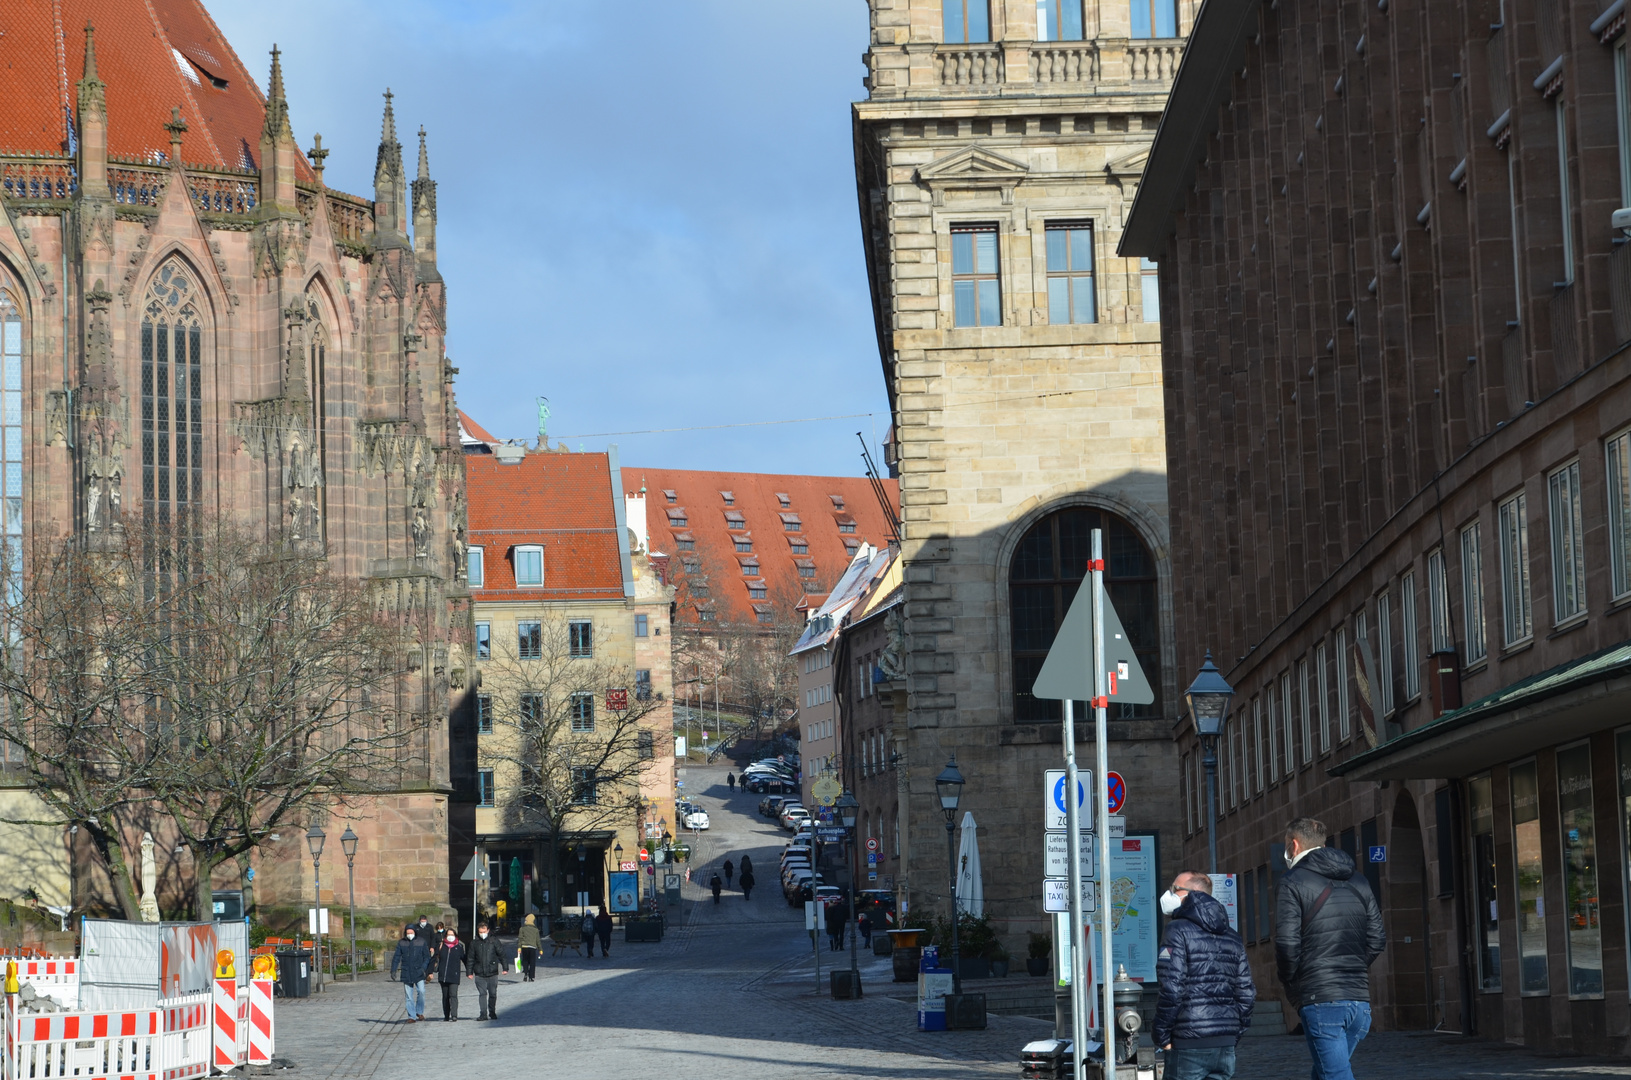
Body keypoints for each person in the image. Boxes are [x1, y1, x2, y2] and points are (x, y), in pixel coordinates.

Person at [1276, 816, 1386, 1080]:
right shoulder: (1358, 879)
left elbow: (1287, 944)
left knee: (1334, 1075)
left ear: (1294, 845)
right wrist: (1353, 966)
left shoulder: (1292, 881)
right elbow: (1377, 938)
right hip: (1358, 1001)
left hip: (1321, 999)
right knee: (1326, 1072)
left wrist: (1293, 981)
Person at [1152, 871, 1255, 1080]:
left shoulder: (1177, 930)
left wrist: (1161, 1034)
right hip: (1224, 1043)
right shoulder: (1232, 936)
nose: (1169, 893)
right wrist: (1233, 1032)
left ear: (1193, 894)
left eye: (1175, 888)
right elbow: (1246, 992)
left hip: (1188, 1042)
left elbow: (1171, 988)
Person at [389, 924, 430, 1023]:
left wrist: (423, 968)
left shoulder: (421, 942)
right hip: (406, 971)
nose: (409, 934)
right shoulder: (402, 943)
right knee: (408, 996)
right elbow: (397, 957)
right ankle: (411, 1016)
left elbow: (427, 957)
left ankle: (419, 1011)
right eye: (408, 933)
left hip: (418, 971)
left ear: (415, 932)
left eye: (411, 933)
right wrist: (393, 970)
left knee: (421, 992)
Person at [467, 921, 506, 1021]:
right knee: (482, 994)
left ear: (488, 930)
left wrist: (505, 967)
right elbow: (470, 958)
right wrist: (469, 972)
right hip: (479, 973)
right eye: (480, 932)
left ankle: (492, 1012)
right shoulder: (474, 943)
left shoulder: (494, 941)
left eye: (484, 931)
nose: (482, 933)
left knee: (493, 994)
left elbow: (501, 954)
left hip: (492, 972)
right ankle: (483, 1014)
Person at [433, 928, 466, 1022]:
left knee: (453, 994)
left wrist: (470, 971)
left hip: (454, 975)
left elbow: (464, 959)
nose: (450, 937)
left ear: (455, 936)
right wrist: (430, 971)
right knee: (445, 996)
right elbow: (434, 958)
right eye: (448, 935)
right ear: (445, 936)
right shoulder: (441, 946)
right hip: (443, 975)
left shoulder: (459, 946)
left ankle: (454, 1015)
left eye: (452, 935)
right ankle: (446, 1015)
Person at [516, 914, 540, 982]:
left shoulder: (522, 929)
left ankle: (526, 973)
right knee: (532, 962)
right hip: (532, 947)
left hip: (524, 947)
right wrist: (540, 949)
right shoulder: (535, 930)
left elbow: (520, 938)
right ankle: (531, 977)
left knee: (525, 960)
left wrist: (519, 947)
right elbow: (537, 940)